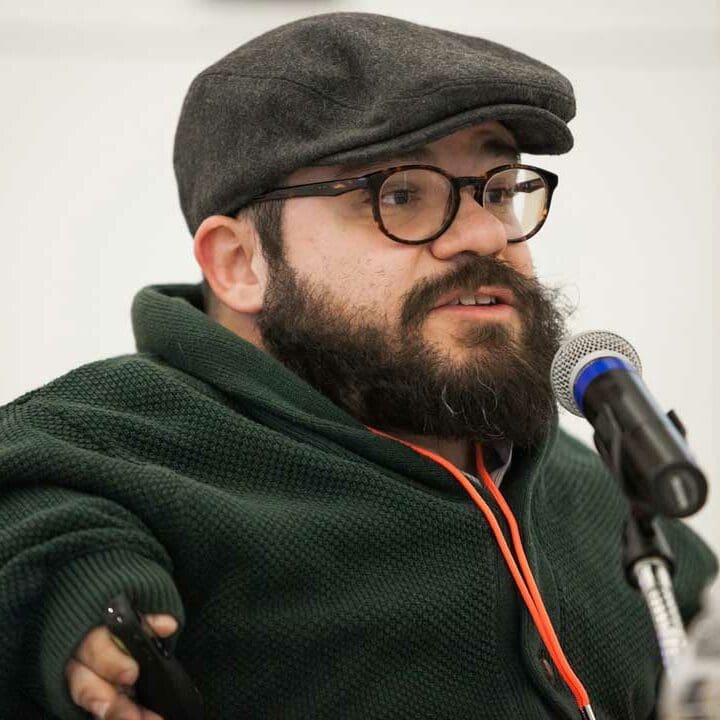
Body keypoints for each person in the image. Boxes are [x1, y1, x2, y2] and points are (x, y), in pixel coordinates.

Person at [0, 11, 715, 720]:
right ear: (240, 263)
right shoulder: (100, 443)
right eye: (401, 194)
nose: (486, 233)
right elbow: (36, 525)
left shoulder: (598, 490)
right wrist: (70, 602)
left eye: (497, 190)